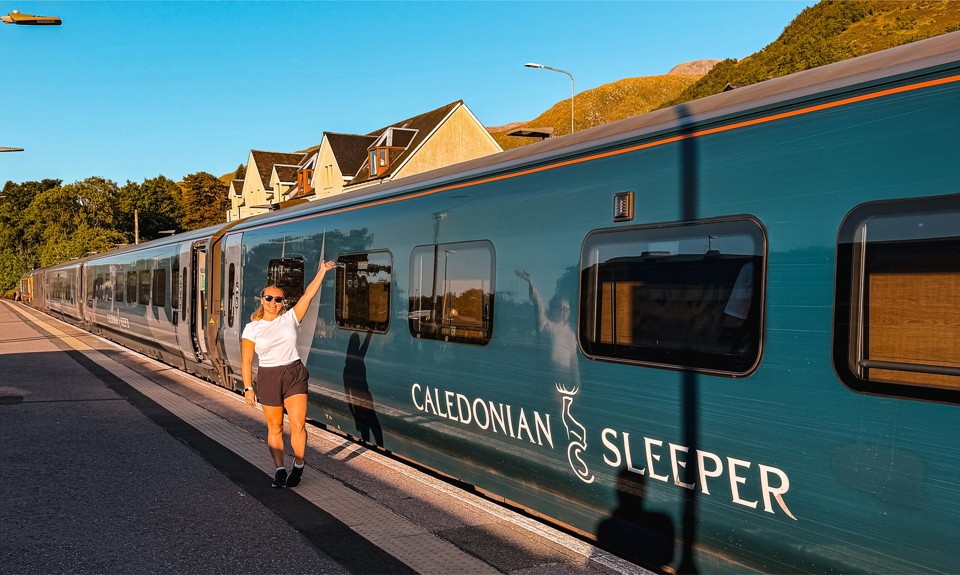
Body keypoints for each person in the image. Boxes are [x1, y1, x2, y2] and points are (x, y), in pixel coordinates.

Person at [241, 259, 336, 488]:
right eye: (269, 298)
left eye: (278, 299)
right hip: (268, 377)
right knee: (274, 427)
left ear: (283, 302)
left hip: (294, 373)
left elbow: (308, 296)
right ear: (262, 300)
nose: (273, 302)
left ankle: (299, 464)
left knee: (298, 424)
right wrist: (247, 388)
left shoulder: (290, 318)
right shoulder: (252, 328)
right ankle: (280, 469)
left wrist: (321, 271)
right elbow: (246, 360)